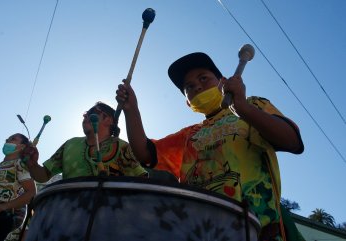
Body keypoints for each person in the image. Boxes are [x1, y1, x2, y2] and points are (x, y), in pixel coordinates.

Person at [115, 52, 304, 241]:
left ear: (222, 82)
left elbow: (292, 141)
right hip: (200, 232)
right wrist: (131, 110)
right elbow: (145, 153)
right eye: (188, 86)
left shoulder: (253, 105)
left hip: (259, 231)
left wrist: (242, 108)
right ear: (188, 103)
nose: (196, 85)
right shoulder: (188, 135)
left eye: (203, 78)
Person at [27, 101, 148, 183]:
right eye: (85, 114)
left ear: (109, 120)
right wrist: (32, 164)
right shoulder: (70, 144)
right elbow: (42, 176)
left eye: (92, 113)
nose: (86, 117)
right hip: (68, 216)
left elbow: (142, 181)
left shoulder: (122, 147)